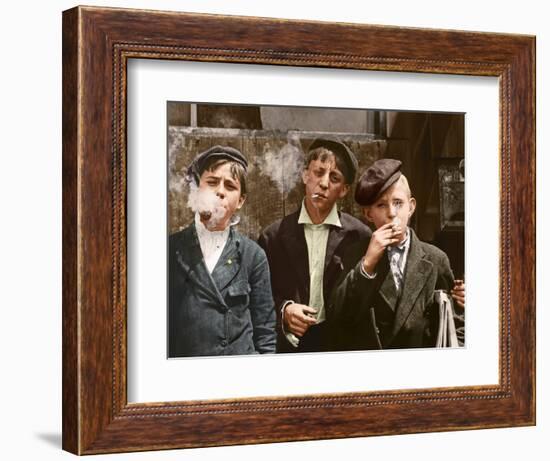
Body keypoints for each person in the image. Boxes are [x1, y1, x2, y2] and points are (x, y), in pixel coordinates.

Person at [328, 158, 465, 350]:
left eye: (398, 203)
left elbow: (457, 323)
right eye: (381, 205)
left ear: (412, 207)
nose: (392, 213)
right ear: (368, 214)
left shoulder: (435, 258)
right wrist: (367, 265)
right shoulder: (355, 254)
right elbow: (338, 317)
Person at [258, 139, 372, 353]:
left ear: (344, 190)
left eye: (334, 178)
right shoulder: (273, 236)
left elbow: (365, 298)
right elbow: (259, 297)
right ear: (305, 175)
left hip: (340, 347)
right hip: (290, 348)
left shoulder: (360, 237)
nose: (324, 183)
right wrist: (284, 310)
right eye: (319, 173)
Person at [168, 146, 276, 357]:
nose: (220, 191)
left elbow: (265, 332)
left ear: (241, 201)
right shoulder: (171, 250)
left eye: (230, 186)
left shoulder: (252, 255)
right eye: (212, 182)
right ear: (197, 189)